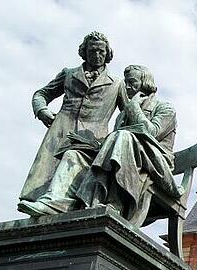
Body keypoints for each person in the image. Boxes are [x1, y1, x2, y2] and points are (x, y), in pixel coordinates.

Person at [18, 31, 125, 216]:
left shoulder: (117, 83)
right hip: (61, 130)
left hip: (92, 138)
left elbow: (129, 114)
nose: (97, 55)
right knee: (47, 177)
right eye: (92, 51)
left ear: (107, 54)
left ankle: (57, 204)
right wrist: (41, 110)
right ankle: (46, 209)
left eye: (101, 51)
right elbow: (41, 94)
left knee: (73, 164)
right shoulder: (69, 74)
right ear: (84, 52)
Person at [76, 65, 180, 226]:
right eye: (126, 83)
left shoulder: (165, 108)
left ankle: (115, 202)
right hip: (132, 156)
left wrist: (133, 108)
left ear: (145, 84)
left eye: (132, 82)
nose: (127, 87)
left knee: (123, 136)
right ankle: (75, 203)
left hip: (156, 163)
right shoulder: (123, 115)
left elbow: (150, 133)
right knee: (75, 153)